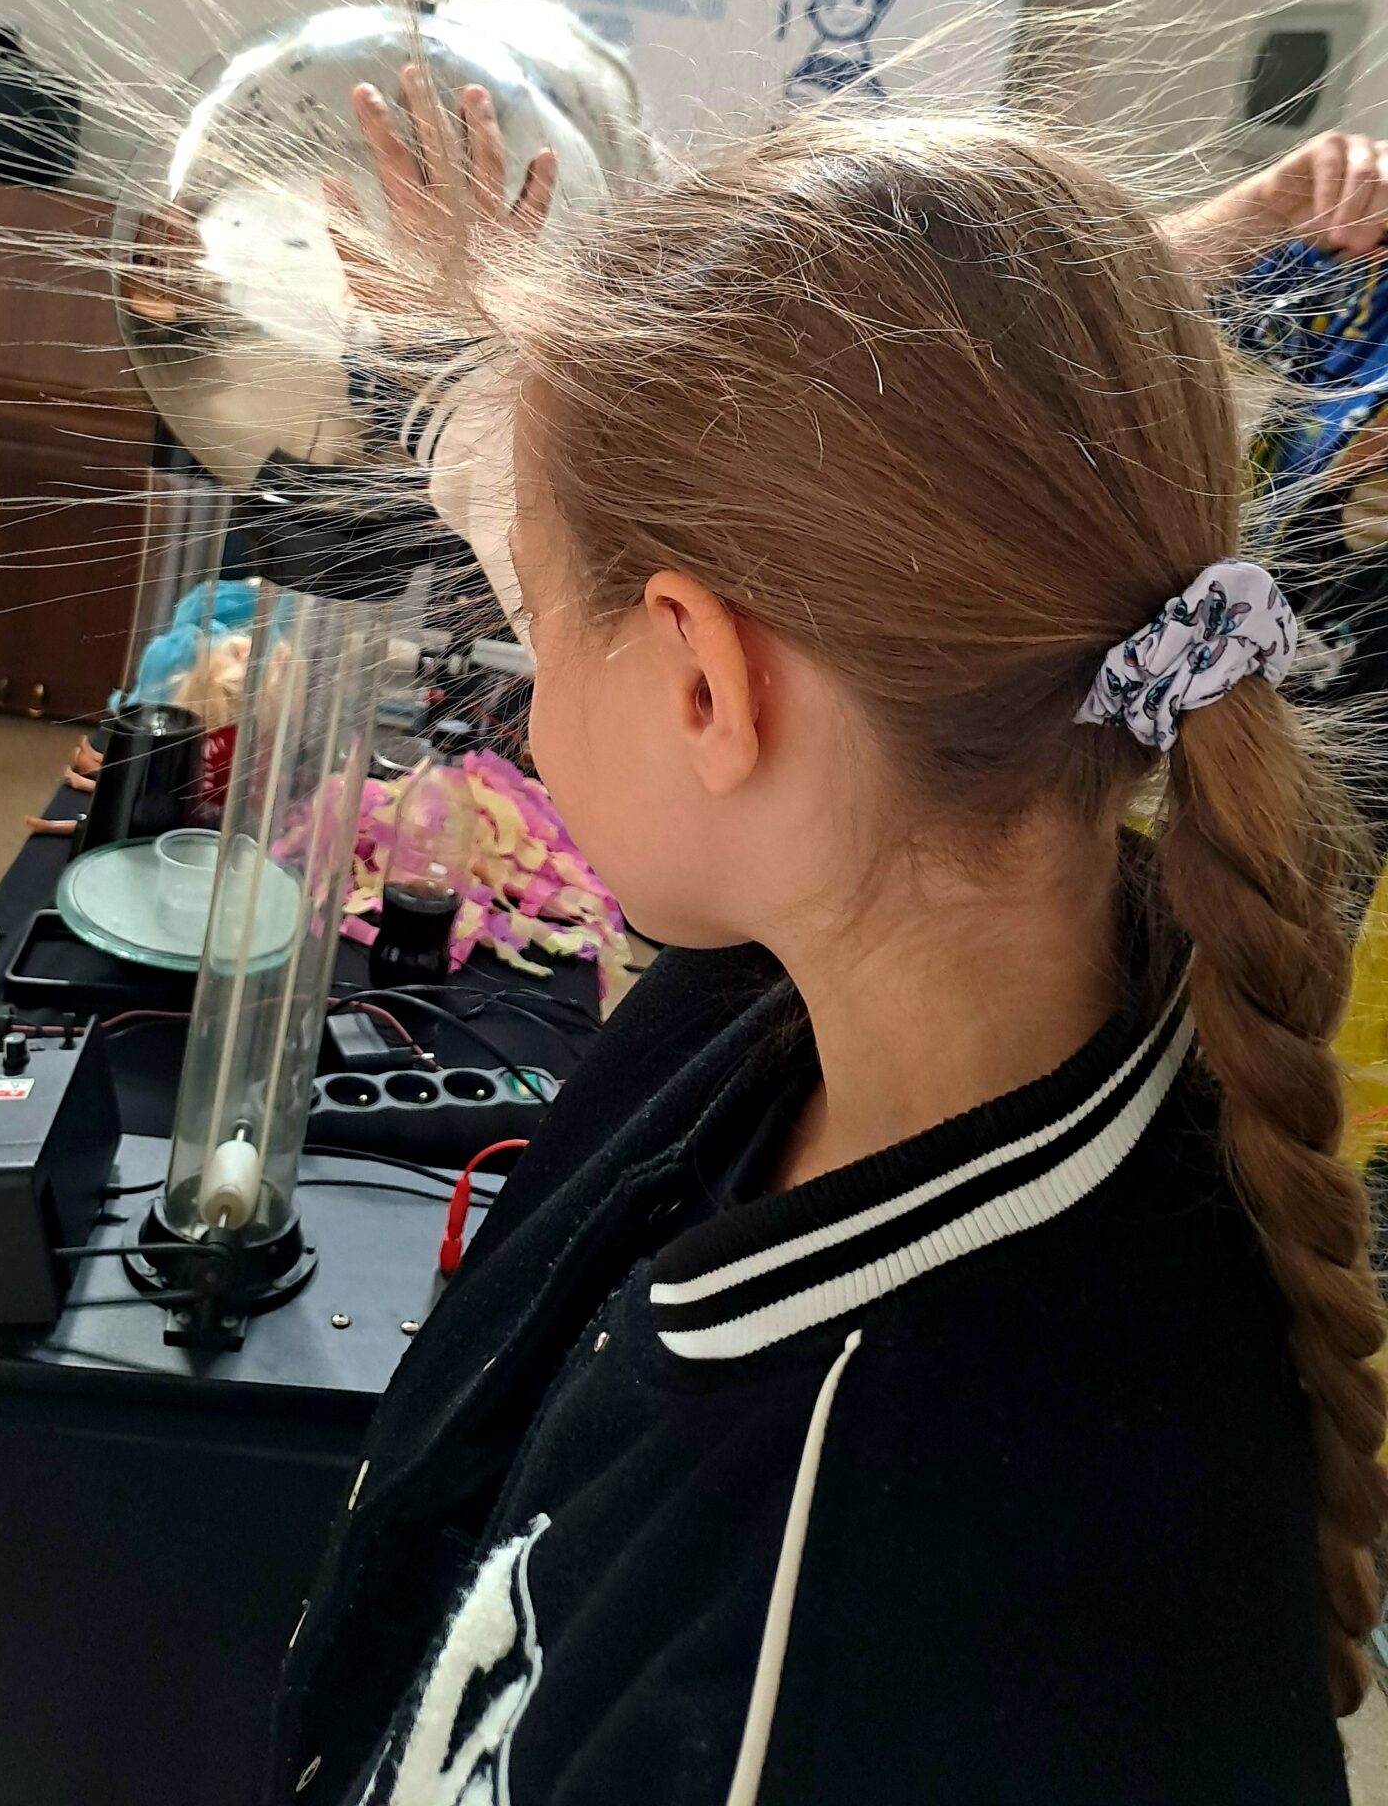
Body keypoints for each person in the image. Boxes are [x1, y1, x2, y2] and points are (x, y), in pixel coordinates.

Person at [262, 100, 1388, 1806]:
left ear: (705, 686)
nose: (533, 705)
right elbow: (887, 471)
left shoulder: (852, 1669)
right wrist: (485, 354)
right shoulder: (980, 917)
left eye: (536, 626)